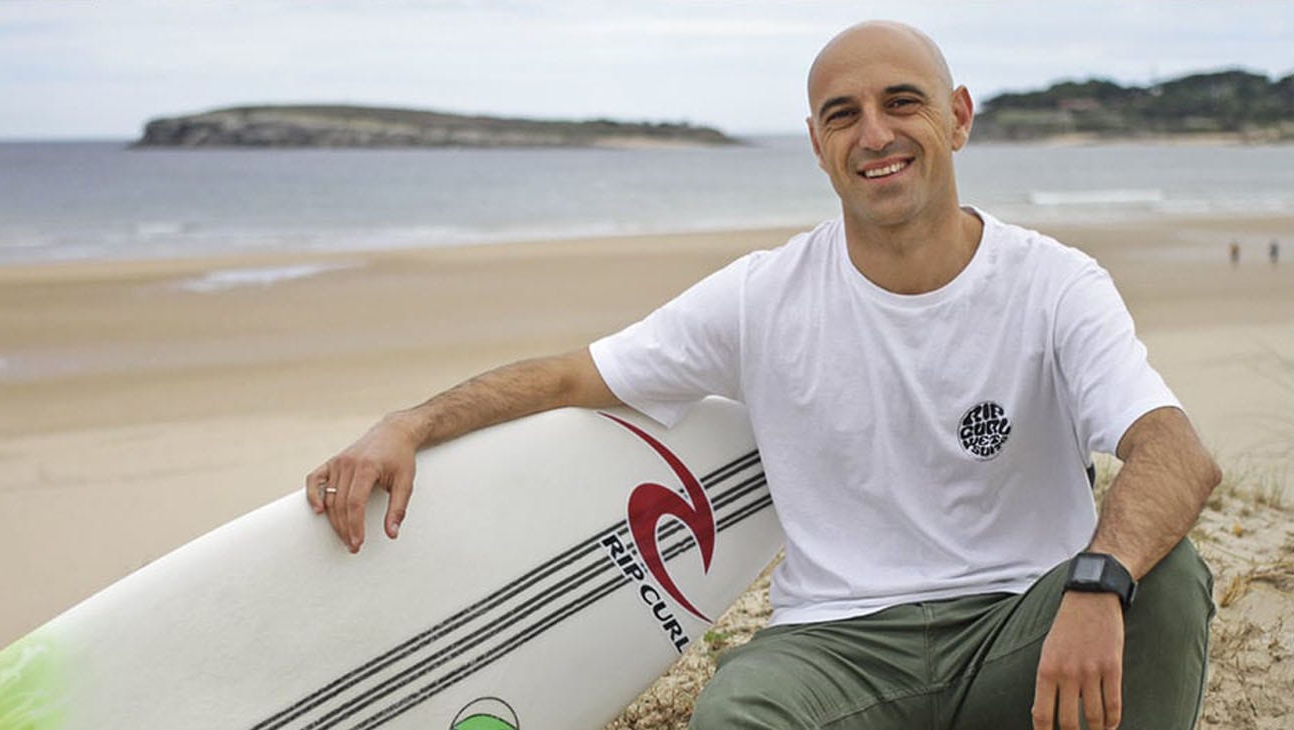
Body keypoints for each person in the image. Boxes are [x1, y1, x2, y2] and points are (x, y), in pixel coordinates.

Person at [306, 21, 1219, 730]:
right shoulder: (762, 297)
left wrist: (1099, 584)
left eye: (903, 102)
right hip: (842, 647)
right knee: (737, 712)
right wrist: (409, 422)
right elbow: (568, 379)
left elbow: (1173, 451)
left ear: (959, 116)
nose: (875, 134)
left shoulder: (1052, 283)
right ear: (818, 145)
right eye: (842, 115)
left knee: (1166, 579)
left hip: (1024, 623)